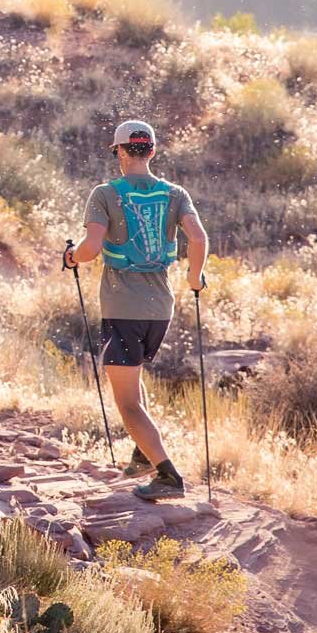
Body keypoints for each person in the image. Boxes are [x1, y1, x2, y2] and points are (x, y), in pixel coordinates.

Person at [63, 119, 209, 501]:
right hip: (161, 309)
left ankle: (167, 475)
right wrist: (195, 276)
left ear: (119, 152)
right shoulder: (175, 193)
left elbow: (91, 248)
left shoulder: (105, 194)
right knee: (133, 379)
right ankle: (142, 454)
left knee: (127, 403)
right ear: (153, 151)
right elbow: (197, 237)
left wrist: (71, 256)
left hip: (122, 307)